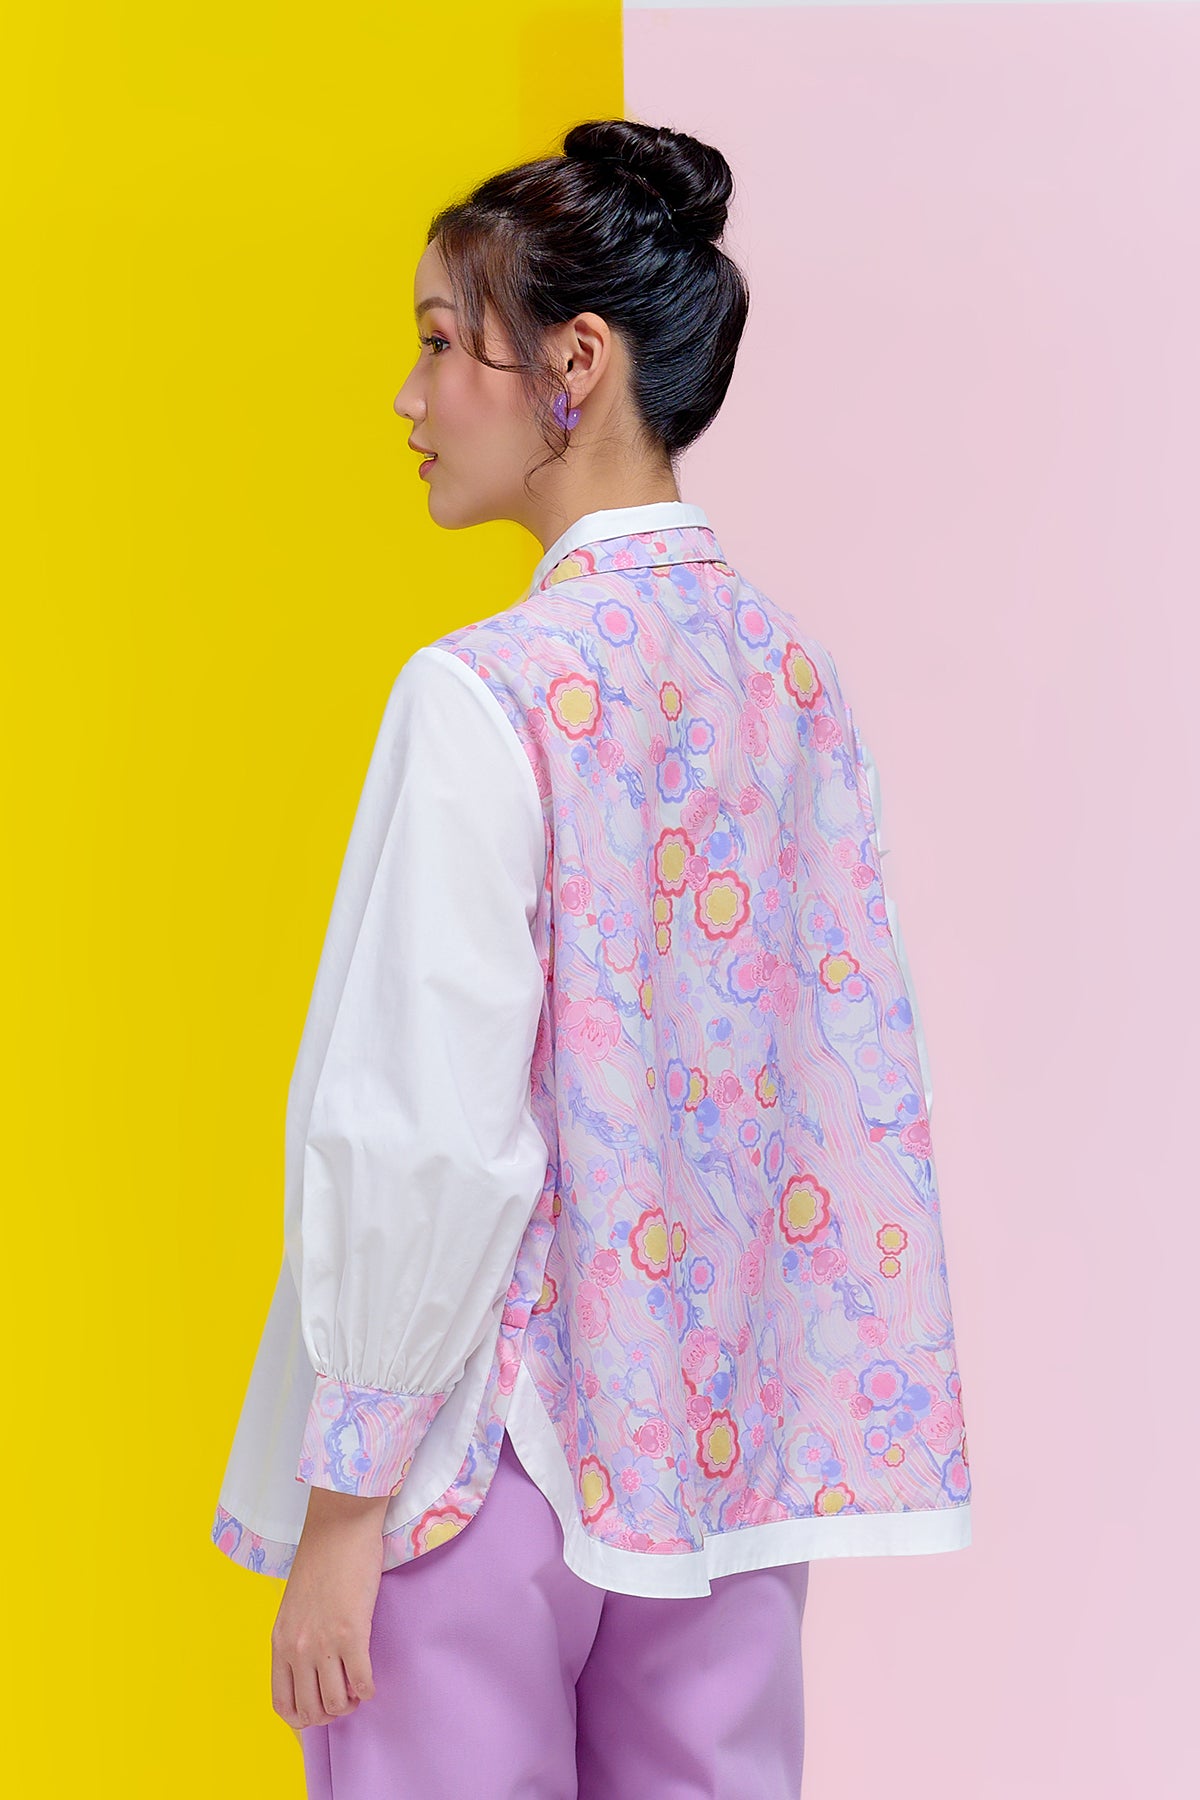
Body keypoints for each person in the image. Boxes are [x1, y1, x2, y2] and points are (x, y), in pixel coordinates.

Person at [211, 117, 973, 1799]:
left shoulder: (486, 692)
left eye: (439, 341)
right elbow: (832, 1088)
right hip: (718, 1479)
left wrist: (343, 1504)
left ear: (576, 362)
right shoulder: (792, 683)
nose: (409, 395)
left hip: (491, 1462)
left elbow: (426, 1123)